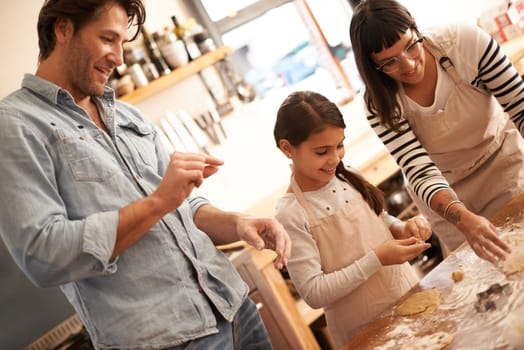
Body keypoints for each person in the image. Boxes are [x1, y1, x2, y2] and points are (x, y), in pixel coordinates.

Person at [0, 1, 291, 349]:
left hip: (234, 309)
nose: (119, 59)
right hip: (166, 341)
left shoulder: (126, 115)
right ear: (63, 29)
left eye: (123, 43)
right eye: (108, 39)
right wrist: (158, 202)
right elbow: (42, 255)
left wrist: (237, 224)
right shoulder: (15, 125)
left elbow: (181, 210)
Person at [349, 0, 524, 264]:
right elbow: (419, 170)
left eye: (410, 45)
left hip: (502, 164)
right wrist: (461, 218)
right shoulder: (379, 102)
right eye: (389, 63)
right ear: (372, 66)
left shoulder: (464, 43)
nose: (408, 65)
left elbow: (520, 107)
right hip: (444, 192)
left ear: (415, 26)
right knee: (484, 277)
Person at [273, 90, 432, 347]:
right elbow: (314, 292)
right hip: (366, 332)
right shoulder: (290, 213)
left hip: (409, 297)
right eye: (322, 151)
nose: (335, 158)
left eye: (339, 145)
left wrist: (402, 227)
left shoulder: (348, 177)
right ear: (287, 148)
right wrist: (377, 258)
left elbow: (379, 219)